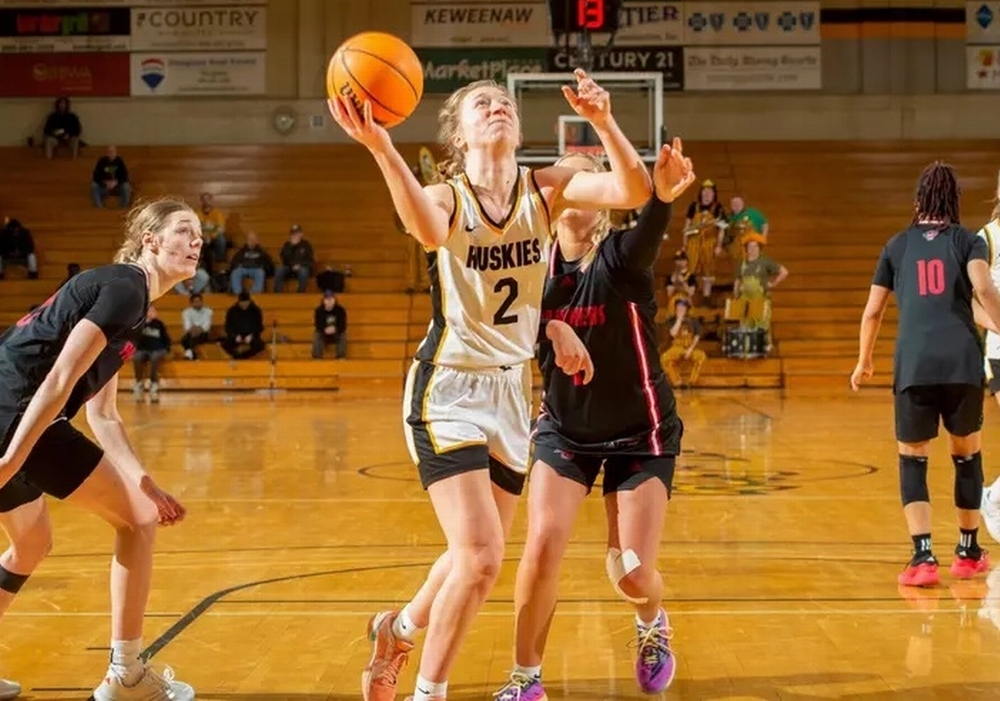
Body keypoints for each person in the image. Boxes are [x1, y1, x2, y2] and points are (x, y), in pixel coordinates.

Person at [329, 68, 652, 701]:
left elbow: (632, 189)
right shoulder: (447, 197)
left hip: (510, 393)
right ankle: (428, 692)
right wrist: (382, 147)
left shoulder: (547, 188)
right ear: (459, 134)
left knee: (471, 552)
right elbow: (426, 230)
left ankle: (397, 631)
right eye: (481, 103)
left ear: (519, 128)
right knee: (481, 559)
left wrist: (605, 120)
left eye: (504, 101)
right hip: (448, 389)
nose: (497, 106)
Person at [491, 141, 695, 699]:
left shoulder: (622, 259)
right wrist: (552, 328)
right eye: (562, 179)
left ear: (601, 198)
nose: (568, 186)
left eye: (582, 177)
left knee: (630, 573)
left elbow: (651, 225)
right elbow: (502, 325)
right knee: (541, 545)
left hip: (641, 430)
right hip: (566, 430)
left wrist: (662, 197)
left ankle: (651, 621)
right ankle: (525, 679)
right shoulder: (531, 270)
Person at [0, 198, 199, 701]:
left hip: (16, 410)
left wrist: (145, 483)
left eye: (199, 234)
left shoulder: (132, 303)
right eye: (183, 230)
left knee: (32, 543)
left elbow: (102, 414)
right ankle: (126, 675)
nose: (196, 241)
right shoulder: (125, 288)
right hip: (16, 410)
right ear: (150, 240)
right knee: (137, 523)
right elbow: (57, 380)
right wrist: (11, 460)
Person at [850, 161, 1000, 588]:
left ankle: (922, 557)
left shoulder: (897, 245)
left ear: (918, 200)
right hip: (961, 364)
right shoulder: (969, 240)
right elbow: (984, 289)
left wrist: (864, 361)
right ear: (954, 201)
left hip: (914, 365)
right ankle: (968, 552)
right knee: (966, 455)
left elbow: (873, 311)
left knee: (912, 459)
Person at [971, 170, 1000, 544]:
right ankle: (991, 499)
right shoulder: (987, 238)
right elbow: (964, 296)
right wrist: (994, 323)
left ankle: (992, 496)